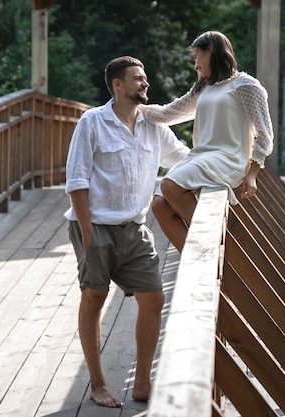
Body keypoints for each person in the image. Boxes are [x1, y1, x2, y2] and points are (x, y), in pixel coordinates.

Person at [64, 56, 189, 407]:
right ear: (118, 85)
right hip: (95, 228)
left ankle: (143, 385)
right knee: (94, 299)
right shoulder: (92, 122)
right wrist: (88, 234)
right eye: (138, 78)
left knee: (154, 299)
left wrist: (231, 167)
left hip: (134, 230)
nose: (145, 83)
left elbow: (184, 158)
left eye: (145, 77)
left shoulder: (154, 125)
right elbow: (76, 181)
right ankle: (98, 384)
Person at [143, 30, 274, 252]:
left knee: (169, 185)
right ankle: (194, 257)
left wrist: (252, 174)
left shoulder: (246, 85)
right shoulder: (203, 87)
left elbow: (265, 133)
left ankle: (208, 250)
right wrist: (131, 105)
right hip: (202, 156)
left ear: (210, 51)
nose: (195, 65)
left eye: (196, 57)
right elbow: (166, 114)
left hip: (228, 158)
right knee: (159, 205)